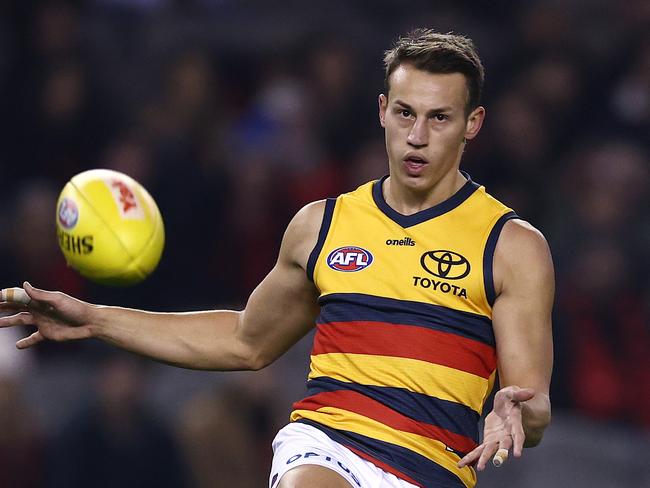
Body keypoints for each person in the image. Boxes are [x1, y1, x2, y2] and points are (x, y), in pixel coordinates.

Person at [0, 29, 554, 488]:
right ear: (382, 110)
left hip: (432, 471)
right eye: (405, 113)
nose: (416, 137)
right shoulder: (323, 224)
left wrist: (520, 416)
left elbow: (532, 407)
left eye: (439, 118)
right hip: (327, 445)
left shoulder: (511, 246)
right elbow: (246, 340)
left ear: (473, 123)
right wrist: (95, 318)